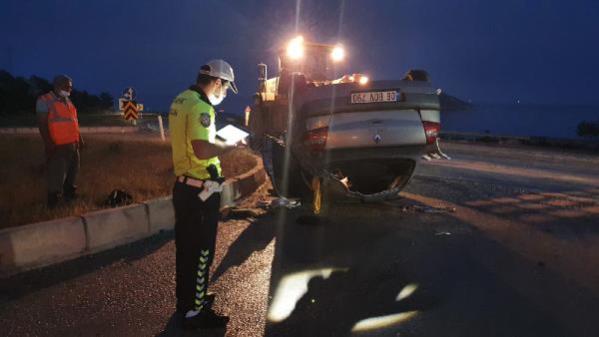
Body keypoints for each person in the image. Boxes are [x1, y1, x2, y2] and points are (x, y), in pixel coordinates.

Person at [169, 59, 240, 330]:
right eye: (225, 87)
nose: (224, 93)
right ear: (218, 82)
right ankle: (194, 313)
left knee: (186, 249)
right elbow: (202, 149)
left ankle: (188, 301)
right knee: (201, 252)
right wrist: (228, 144)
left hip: (185, 186)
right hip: (200, 189)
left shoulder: (181, 100)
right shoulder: (201, 107)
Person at [36, 75, 83, 208]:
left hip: (73, 145)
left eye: (71, 87)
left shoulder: (68, 102)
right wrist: (48, 143)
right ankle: (53, 203)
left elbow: (74, 123)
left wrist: (80, 139)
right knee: (57, 176)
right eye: (67, 86)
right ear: (57, 85)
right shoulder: (44, 100)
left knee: (72, 174)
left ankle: (69, 198)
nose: (70, 89)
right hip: (58, 146)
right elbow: (42, 124)